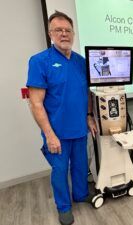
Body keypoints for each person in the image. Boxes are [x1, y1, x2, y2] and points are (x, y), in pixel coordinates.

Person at [26, 11, 97, 225]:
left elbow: (86, 94)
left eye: (67, 30)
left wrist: (89, 116)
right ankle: (64, 207)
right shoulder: (40, 61)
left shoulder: (81, 62)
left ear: (73, 34)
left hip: (78, 128)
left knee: (80, 165)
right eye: (58, 30)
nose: (64, 34)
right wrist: (49, 135)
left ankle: (81, 194)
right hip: (56, 132)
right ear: (50, 34)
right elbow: (35, 102)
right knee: (59, 171)